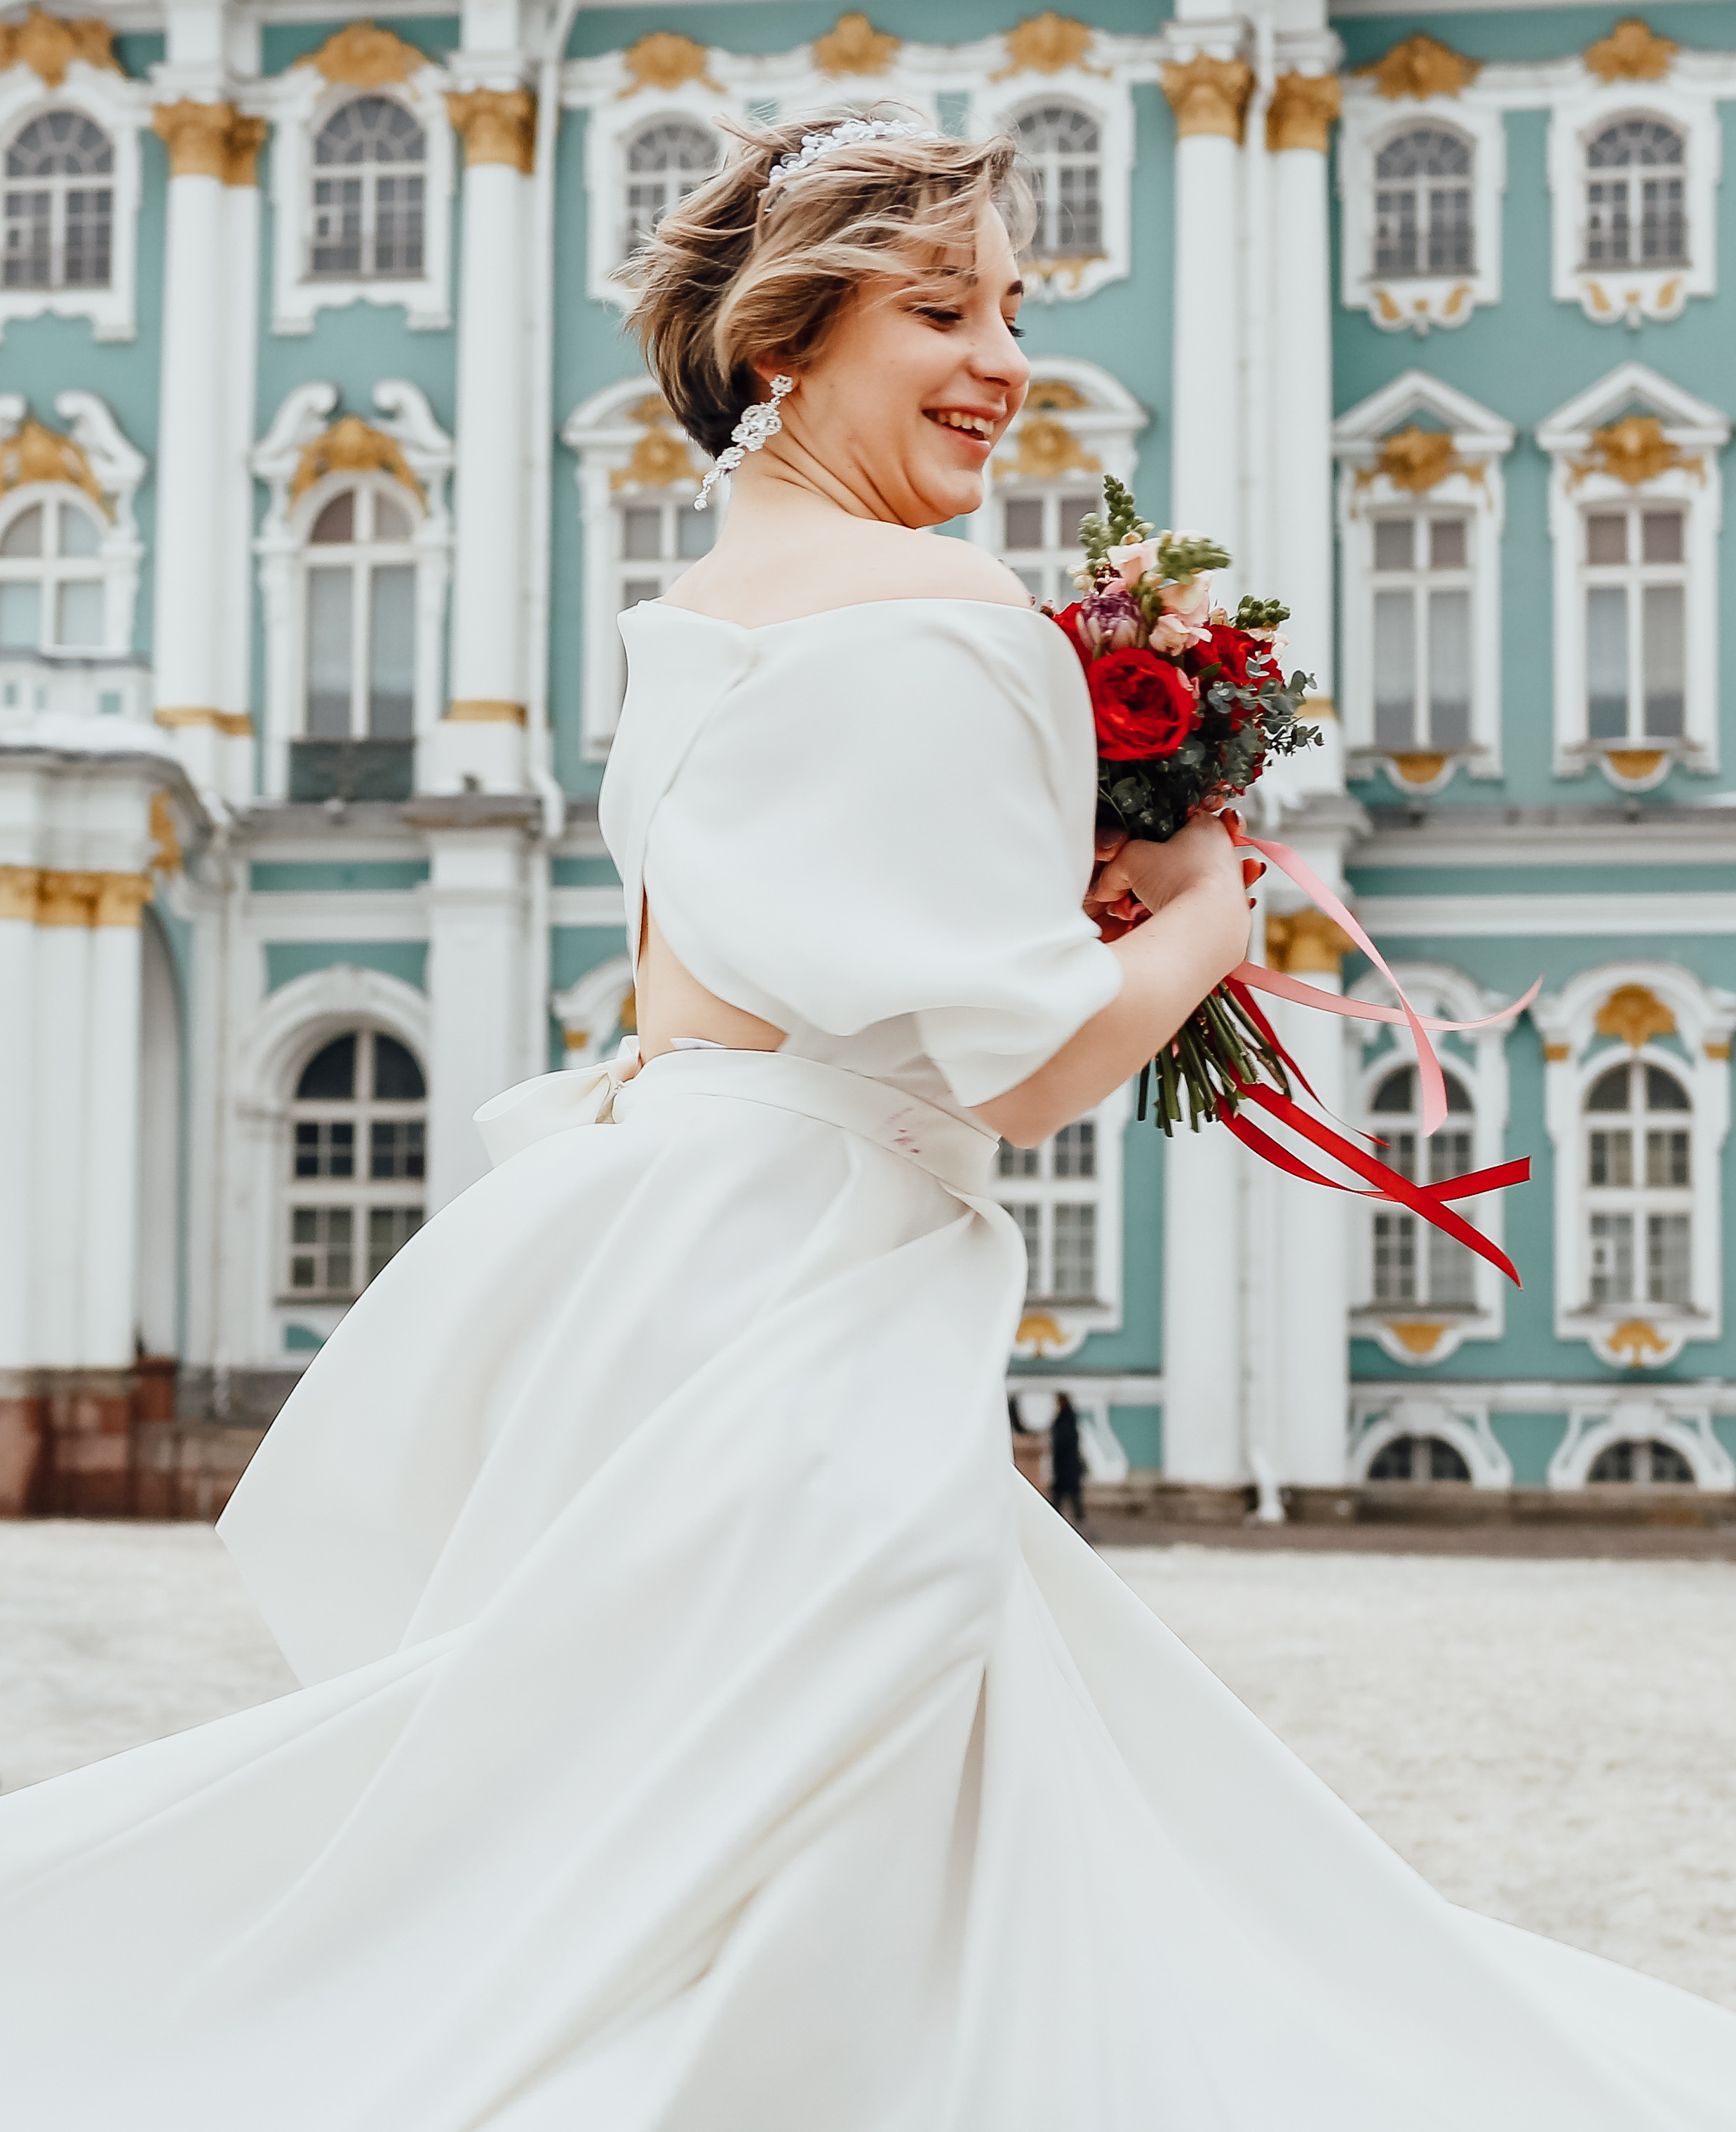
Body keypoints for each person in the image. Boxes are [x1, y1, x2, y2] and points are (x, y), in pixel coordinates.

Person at [1, 105, 1732, 2127]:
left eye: (1013, 309)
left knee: (636, 1809)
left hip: (653, 1238)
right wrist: (1204, 907)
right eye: (942, 310)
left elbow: (791, 951)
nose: (1004, 359)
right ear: (783, 339)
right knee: (833, 1786)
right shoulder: (943, 610)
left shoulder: (692, 612)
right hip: (806, 1274)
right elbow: (1032, 1063)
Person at [1048, 1388, 1086, 1527]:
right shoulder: (1069, 1419)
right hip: (1068, 1465)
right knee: (1071, 1494)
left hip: (1065, 1465)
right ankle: (1077, 1518)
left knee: (1062, 1493)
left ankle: (1055, 1517)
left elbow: (1063, 1442)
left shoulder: (1064, 1420)